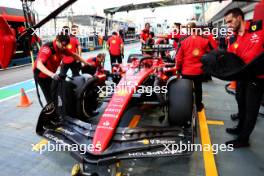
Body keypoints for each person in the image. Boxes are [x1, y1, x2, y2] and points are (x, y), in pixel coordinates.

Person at [224, 8, 264, 148]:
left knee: (251, 109)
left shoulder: (259, 29)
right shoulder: (233, 38)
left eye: (230, 21)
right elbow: (230, 58)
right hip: (241, 77)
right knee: (241, 103)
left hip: (256, 77)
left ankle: (243, 139)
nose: (228, 25)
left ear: (239, 17)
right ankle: (240, 128)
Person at [33, 32, 89, 105]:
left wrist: (86, 63)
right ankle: (52, 113)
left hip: (50, 74)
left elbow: (74, 55)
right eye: (63, 45)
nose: (64, 47)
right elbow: (39, 64)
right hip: (42, 75)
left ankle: (59, 111)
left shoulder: (62, 48)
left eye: (66, 45)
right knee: (49, 97)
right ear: (57, 40)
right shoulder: (47, 48)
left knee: (56, 93)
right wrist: (52, 75)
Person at [175, 22, 214, 112]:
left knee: (186, 89)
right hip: (199, 71)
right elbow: (211, 53)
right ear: (195, 28)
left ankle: (187, 105)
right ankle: (199, 105)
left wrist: (177, 69)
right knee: (198, 88)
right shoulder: (204, 39)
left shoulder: (183, 40)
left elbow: (179, 58)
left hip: (186, 71)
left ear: (188, 30)